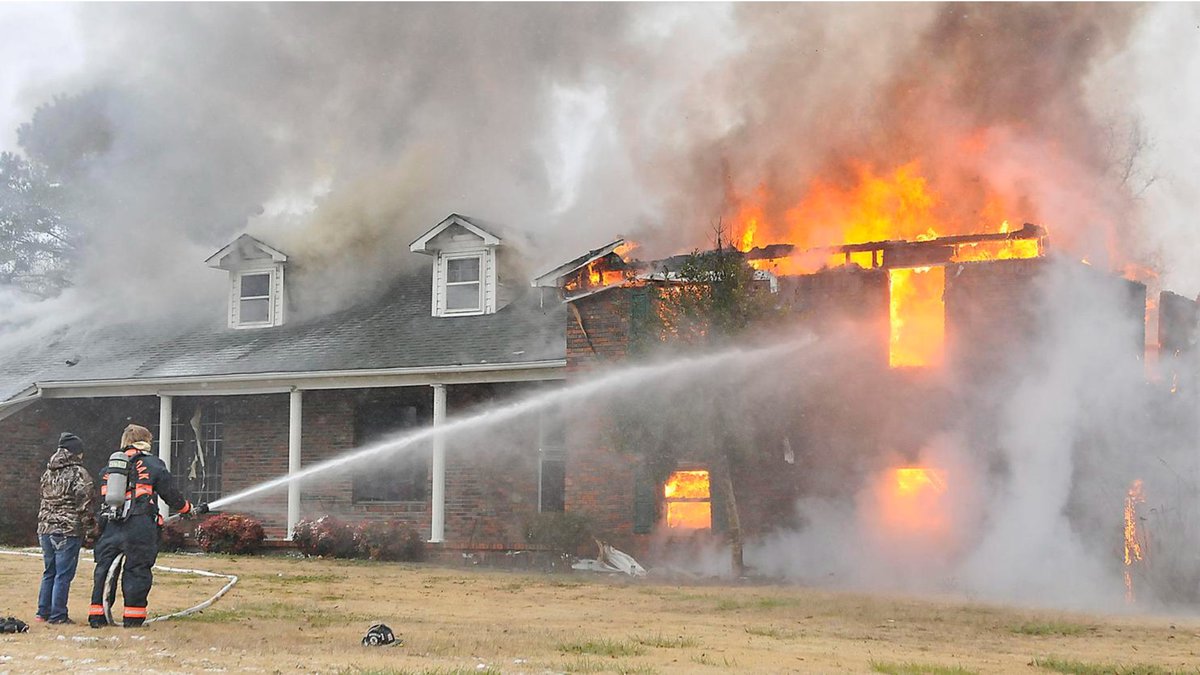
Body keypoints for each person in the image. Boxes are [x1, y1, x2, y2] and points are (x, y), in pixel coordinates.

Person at [87, 424, 207, 628]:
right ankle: (133, 619)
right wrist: (186, 509)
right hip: (139, 525)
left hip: (110, 525)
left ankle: (97, 616)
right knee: (137, 570)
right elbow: (170, 494)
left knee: (104, 570)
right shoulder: (152, 464)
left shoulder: (110, 468)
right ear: (146, 442)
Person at [36, 432, 95, 624]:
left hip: (45, 528)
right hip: (67, 530)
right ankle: (58, 615)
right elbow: (84, 505)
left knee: (49, 571)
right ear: (76, 452)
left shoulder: (48, 472)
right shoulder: (78, 473)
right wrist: (91, 529)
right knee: (63, 574)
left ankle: (42, 612)